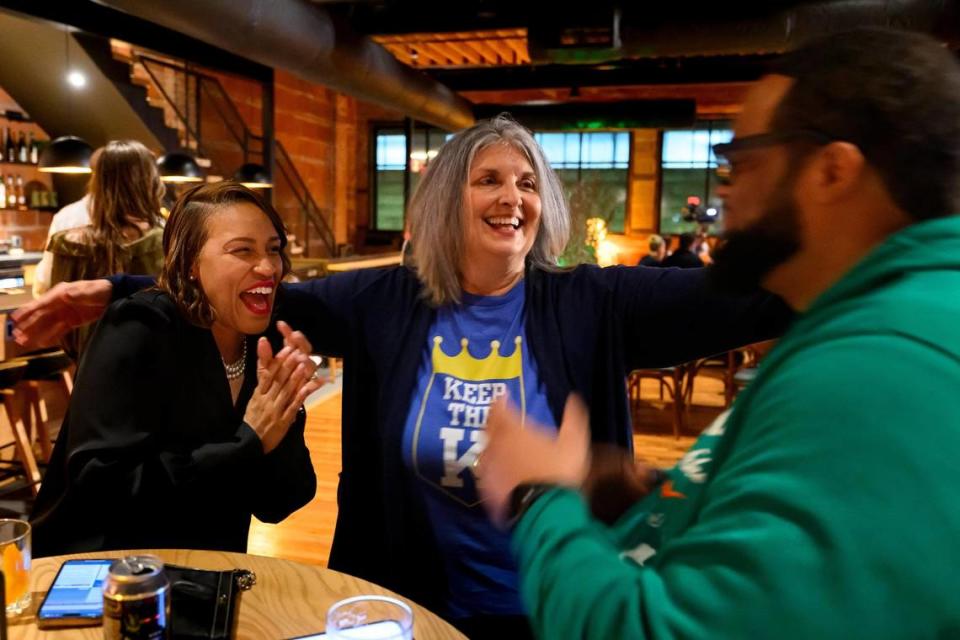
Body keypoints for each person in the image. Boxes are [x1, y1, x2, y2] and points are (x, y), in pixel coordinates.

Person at [13, 116, 791, 638]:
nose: (512, 196)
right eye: (488, 179)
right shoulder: (384, 300)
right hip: (410, 607)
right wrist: (113, 291)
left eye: (526, 182)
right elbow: (250, 286)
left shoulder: (595, 303)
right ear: (449, 197)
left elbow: (755, 298)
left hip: (562, 605)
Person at [477, 27, 960, 638]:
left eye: (743, 159)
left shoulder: (886, 368)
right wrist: (656, 496)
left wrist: (538, 492)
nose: (722, 188)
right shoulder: (882, 322)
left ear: (832, 173)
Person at [30, 182, 319, 557]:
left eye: (273, 249)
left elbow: (281, 501)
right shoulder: (139, 327)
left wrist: (284, 415)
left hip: (210, 575)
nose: (267, 267)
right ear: (191, 265)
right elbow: (104, 489)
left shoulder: (263, 342)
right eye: (242, 250)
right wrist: (249, 442)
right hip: (99, 575)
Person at [45, 141, 167, 362]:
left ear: (97, 182)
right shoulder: (167, 238)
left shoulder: (69, 242)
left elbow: (49, 294)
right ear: (149, 182)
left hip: (89, 365)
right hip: (156, 366)